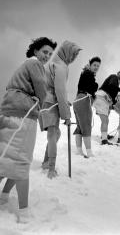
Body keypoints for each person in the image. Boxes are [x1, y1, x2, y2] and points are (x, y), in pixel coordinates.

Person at [0, 37, 57, 223]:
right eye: (45, 52)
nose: (47, 56)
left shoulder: (27, 65)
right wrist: (44, 104)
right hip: (22, 115)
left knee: (14, 157)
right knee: (21, 161)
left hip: (13, 111)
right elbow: (42, 88)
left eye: (50, 54)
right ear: (35, 51)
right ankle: (24, 212)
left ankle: (3, 196)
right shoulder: (34, 64)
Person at [40, 40, 81, 179]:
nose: (74, 58)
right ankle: (51, 168)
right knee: (53, 134)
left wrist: (63, 102)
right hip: (50, 102)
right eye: (73, 54)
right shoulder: (61, 66)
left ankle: (46, 162)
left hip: (46, 101)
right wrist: (67, 116)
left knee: (55, 133)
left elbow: (55, 88)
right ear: (66, 52)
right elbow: (60, 90)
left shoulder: (54, 62)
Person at [73, 56, 100, 158]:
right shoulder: (89, 74)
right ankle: (89, 152)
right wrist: (96, 85)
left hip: (78, 100)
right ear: (90, 64)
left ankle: (79, 151)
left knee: (80, 126)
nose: (96, 67)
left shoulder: (84, 73)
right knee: (86, 125)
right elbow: (92, 88)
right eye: (94, 65)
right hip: (83, 100)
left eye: (98, 66)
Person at [93, 69, 120, 145]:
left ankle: (104, 136)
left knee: (105, 120)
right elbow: (112, 85)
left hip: (103, 99)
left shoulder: (116, 84)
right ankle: (104, 140)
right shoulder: (114, 77)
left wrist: (115, 101)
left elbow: (112, 92)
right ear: (118, 72)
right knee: (105, 120)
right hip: (102, 98)